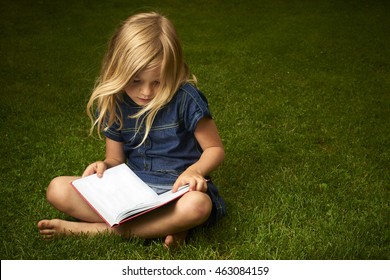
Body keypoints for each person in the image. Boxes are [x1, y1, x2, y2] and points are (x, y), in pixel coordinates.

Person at [37, 12, 226, 247]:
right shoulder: (115, 102)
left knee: (199, 206)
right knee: (57, 189)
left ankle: (103, 231)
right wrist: (104, 166)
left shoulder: (186, 98)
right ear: (117, 70)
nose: (146, 92)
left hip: (178, 192)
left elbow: (215, 149)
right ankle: (168, 227)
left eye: (157, 82)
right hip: (133, 193)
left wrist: (195, 171)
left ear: (173, 71)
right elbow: (115, 159)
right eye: (135, 81)